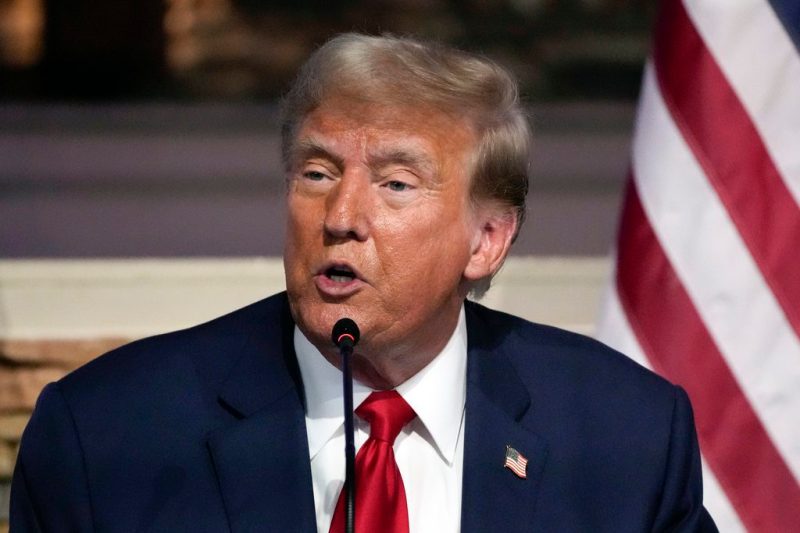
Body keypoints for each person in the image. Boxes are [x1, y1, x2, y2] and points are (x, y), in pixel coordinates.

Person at [11, 34, 717, 532]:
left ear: (486, 240)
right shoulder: (106, 437)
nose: (341, 216)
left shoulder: (626, 436)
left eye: (396, 183)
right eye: (317, 172)